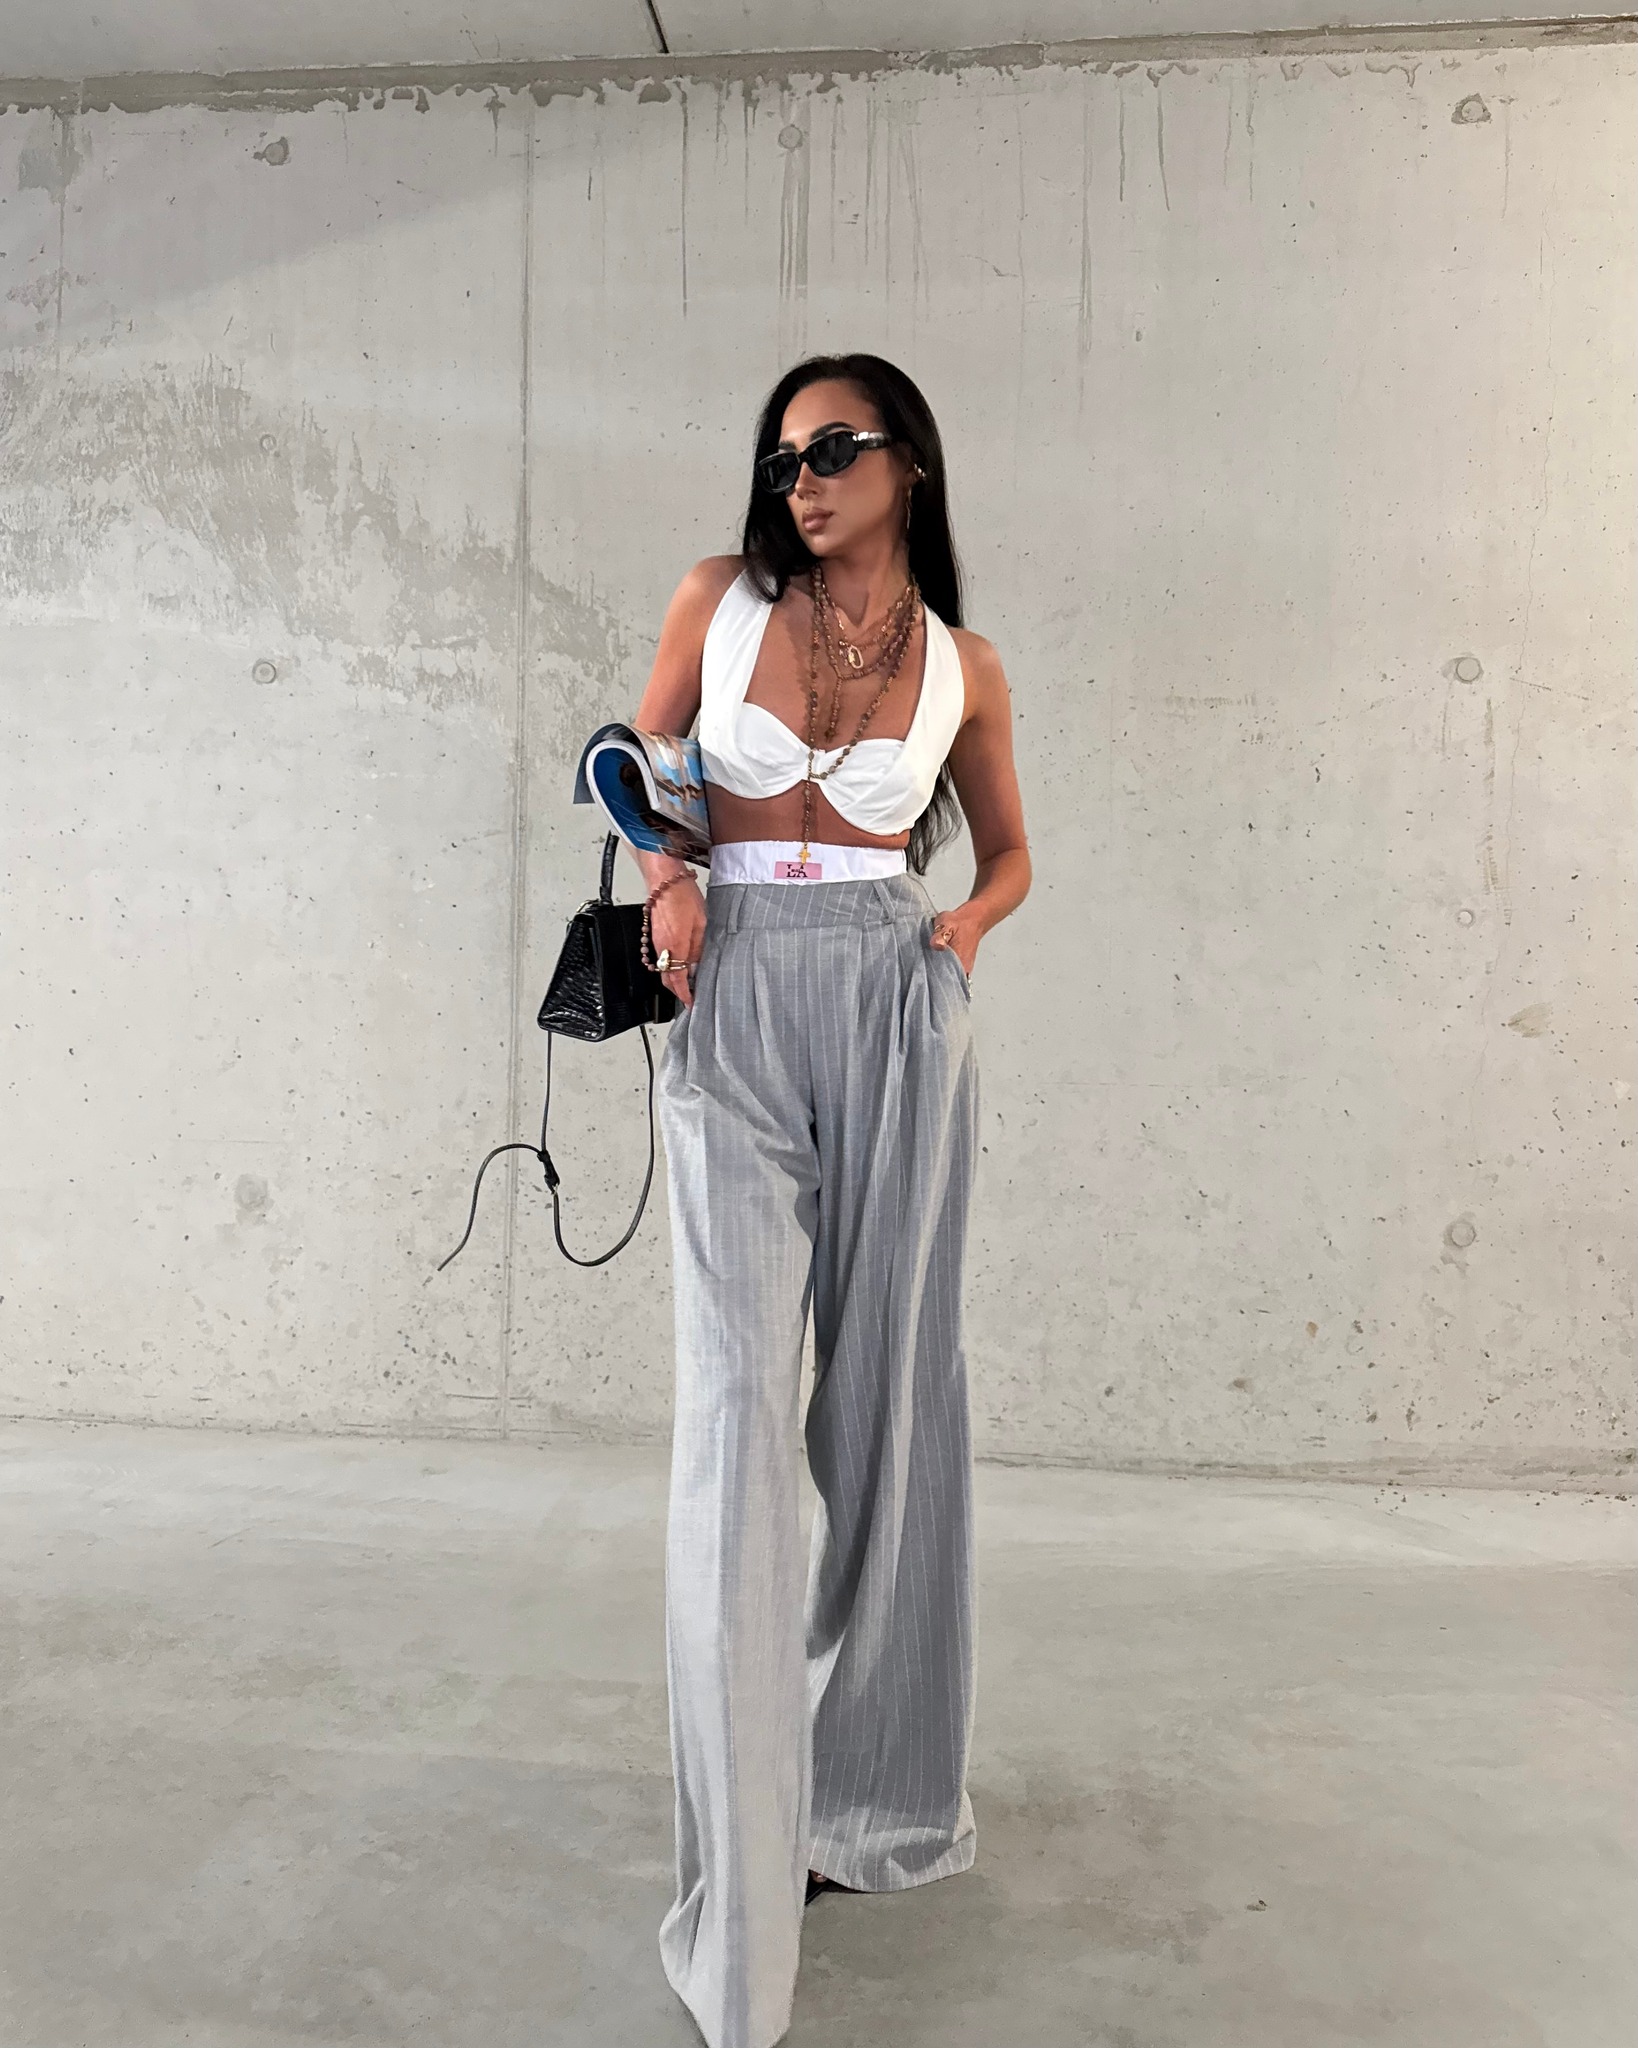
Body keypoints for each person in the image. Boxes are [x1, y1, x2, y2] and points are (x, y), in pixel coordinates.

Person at [628, 352, 1031, 2048]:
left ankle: (868, 1803)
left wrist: (960, 933)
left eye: (835, 448)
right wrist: (667, 874)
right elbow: (640, 764)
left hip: (890, 997)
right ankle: (737, 1900)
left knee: (886, 1408)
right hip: (731, 995)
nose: (801, 476)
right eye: (783, 454)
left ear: (906, 465)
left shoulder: (966, 666)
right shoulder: (715, 602)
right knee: (732, 1423)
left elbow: (1008, 853)